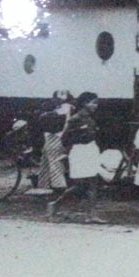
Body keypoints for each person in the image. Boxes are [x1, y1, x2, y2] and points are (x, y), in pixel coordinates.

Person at [47, 91, 103, 221]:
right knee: (79, 186)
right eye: (93, 103)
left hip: (91, 150)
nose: (96, 106)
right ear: (84, 103)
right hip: (79, 152)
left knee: (93, 184)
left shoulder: (91, 118)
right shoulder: (75, 119)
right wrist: (73, 146)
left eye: (96, 103)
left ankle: (92, 215)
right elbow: (64, 139)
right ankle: (55, 204)